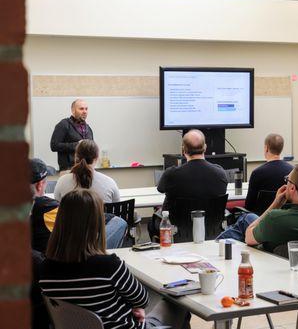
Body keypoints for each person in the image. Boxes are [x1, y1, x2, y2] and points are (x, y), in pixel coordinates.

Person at [39, 189, 190, 329]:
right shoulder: (108, 265)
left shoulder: (44, 268)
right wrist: (133, 307)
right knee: (179, 303)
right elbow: (142, 300)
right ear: (96, 223)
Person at [218, 164, 298, 252]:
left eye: (287, 180)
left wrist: (275, 204)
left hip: (276, 265)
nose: (286, 183)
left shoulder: (275, 218)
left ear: (292, 188)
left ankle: (214, 248)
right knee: (249, 217)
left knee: (246, 220)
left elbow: (248, 237)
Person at [30, 158, 127, 251]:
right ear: (40, 185)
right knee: (118, 222)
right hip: (65, 259)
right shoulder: (49, 209)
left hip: (32, 260)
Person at [157, 129, 228, 210]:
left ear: (184, 149)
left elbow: (160, 189)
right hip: (210, 222)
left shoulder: (171, 174)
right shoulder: (220, 173)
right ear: (205, 147)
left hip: (177, 222)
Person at [53, 139, 120, 203]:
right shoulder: (109, 183)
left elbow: (57, 207)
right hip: (100, 215)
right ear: (96, 158)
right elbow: (116, 207)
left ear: (76, 157)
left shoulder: (62, 181)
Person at [244, 133, 293, 215]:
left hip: (261, 221)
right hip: (286, 218)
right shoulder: (292, 171)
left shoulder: (257, 173)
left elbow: (249, 205)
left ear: (266, 148)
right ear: (281, 148)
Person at [50, 99, 94, 171]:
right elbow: (54, 146)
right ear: (73, 110)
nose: (85, 111)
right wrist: (77, 145)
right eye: (81, 109)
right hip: (68, 170)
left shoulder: (88, 128)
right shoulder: (63, 125)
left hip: (86, 169)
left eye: (86, 109)